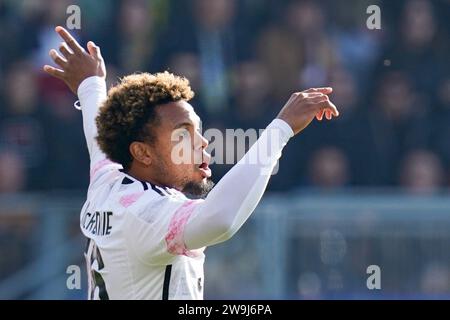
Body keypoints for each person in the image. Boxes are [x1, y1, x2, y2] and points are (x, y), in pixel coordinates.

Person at [43, 26, 339, 300]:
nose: (202, 141)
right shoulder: (147, 213)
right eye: (183, 133)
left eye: (197, 129)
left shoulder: (108, 180)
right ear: (143, 153)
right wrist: (281, 129)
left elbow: (98, 137)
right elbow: (221, 219)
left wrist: (91, 85)